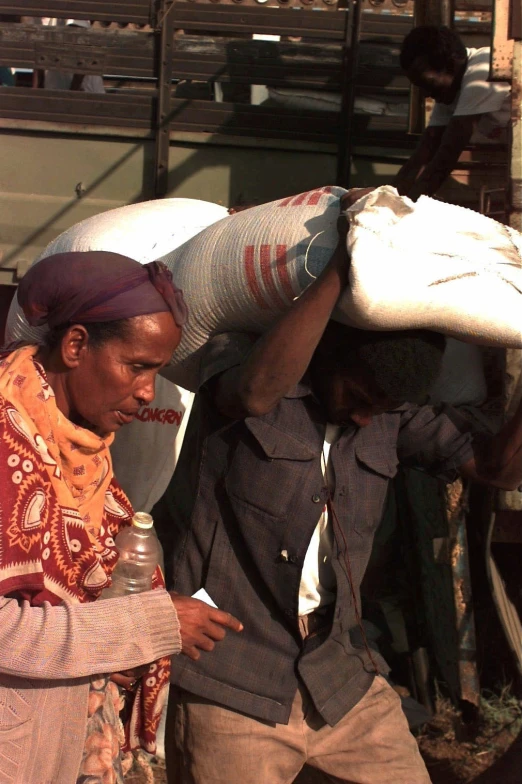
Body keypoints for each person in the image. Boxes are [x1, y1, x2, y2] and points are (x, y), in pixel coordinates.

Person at [153, 212, 522, 784]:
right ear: (332, 350)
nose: (364, 415)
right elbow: (253, 394)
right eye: (360, 395)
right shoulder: (245, 364)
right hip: (234, 679)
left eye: (382, 406)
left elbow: (498, 469)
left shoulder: (392, 416)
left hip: (340, 676)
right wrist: (346, 264)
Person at [0, 250, 242, 784]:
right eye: (137, 366)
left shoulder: (81, 451)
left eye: (156, 371)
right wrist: (149, 623)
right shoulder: (7, 443)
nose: (147, 392)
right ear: (77, 344)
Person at [345, 25, 511, 206]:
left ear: (451, 64)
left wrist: (399, 207)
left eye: (428, 83)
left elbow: (446, 155)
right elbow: (424, 153)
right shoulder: (450, 89)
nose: (425, 94)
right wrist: (384, 197)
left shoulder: (483, 69)